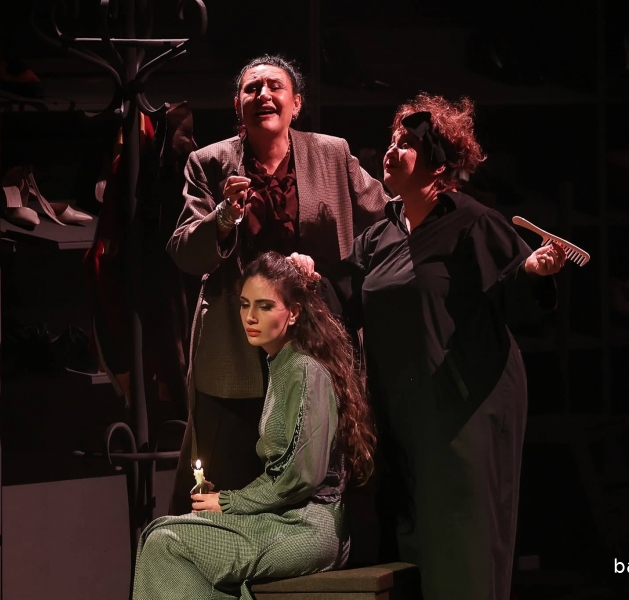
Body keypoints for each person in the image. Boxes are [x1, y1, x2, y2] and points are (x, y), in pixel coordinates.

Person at [337, 93, 567, 600]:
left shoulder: (472, 222)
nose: (391, 151)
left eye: (406, 143)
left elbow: (514, 293)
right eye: (391, 140)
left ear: (438, 163)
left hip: (466, 407)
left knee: (462, 540)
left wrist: (532, 270)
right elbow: (344, 298)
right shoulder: (379, 237)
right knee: (409, 539)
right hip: (402, 409)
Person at [166, 54, 388, 515]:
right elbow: (185, 251)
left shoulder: (331, 154)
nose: (263, 95)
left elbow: (385, 214)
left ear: (296, 103)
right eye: (252, 89)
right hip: (236, 343)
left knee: (311, 472)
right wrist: (223, 216)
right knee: (232, 471)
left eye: (274, 86)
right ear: (237, 105)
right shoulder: (209, 163)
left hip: (313, 339)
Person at [132, 251, 376, 600]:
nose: (250, 316)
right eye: (245, 304)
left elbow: (300, 476)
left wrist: (229, 502)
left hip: (310, 526)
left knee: (165, 542)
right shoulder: (281, 364)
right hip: (283, 516)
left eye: (264, 306)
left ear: (293, 312)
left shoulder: (304, 369)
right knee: (160, 533)